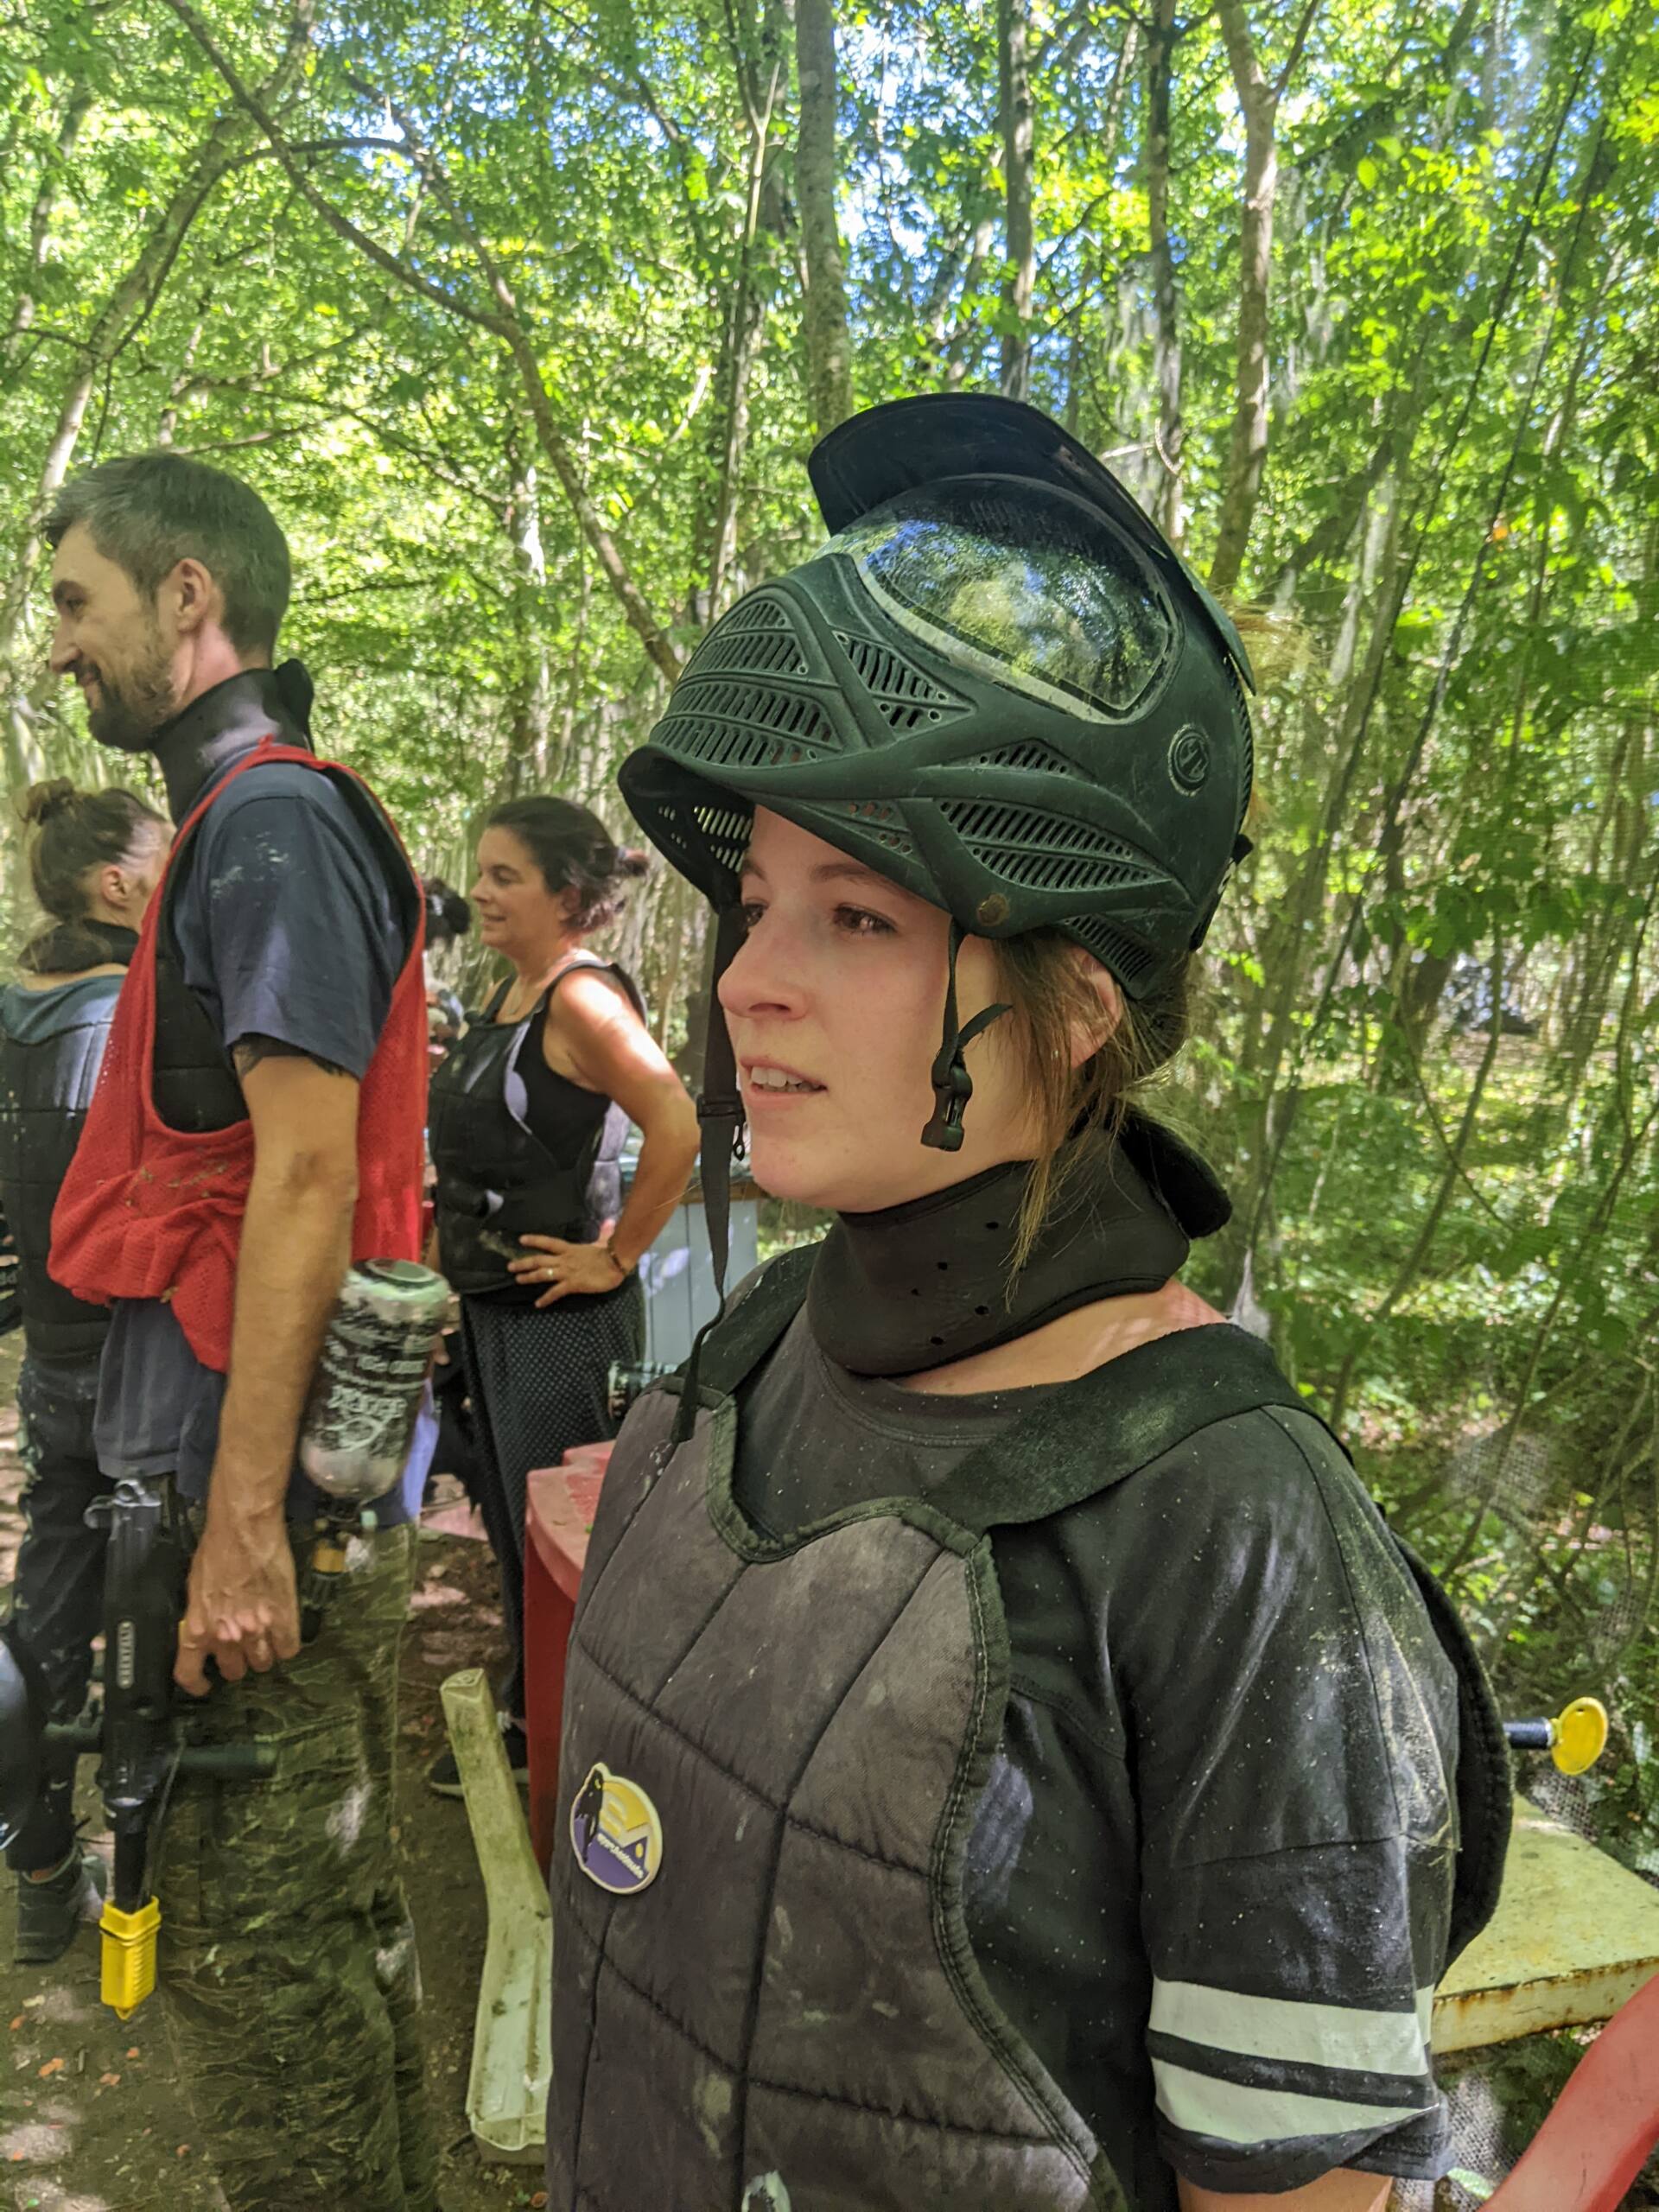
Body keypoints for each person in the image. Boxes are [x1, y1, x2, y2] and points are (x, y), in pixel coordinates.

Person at [544, 395, 1510, 2212]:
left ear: (1075, 1005)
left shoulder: (1238, 1541)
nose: (745, 981)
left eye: (857, 918)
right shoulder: (755, 1348)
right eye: (758, 900)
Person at [41, 451, 438, 2212]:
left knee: (263, 1978)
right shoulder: (239, 822)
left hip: (247, 1498)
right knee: (323, 1942)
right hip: (226, 1472)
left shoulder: (271, 823)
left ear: (187, 595)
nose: (59, 645)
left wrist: (242, 1528)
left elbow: (308, 1173)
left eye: (78, 602)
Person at [425, 796, 699, 1790]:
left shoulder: (583, 999)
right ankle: (529, 1710)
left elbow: (675, 1122)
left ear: (567, 894)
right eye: (482, 872)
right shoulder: (507, 993)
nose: (482, 892)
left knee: (566, 1543)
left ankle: (588, 1742)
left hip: (561, 1321)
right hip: (491, 1309)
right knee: (511, 1521)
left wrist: (615, 1257)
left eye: (506, 876)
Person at [0, 779, 168, 1961]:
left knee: (47, 1613)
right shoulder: (126, 1019)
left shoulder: (13, 1008)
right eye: (161, 855)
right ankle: (144, 1868)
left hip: (53, 1364)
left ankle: (41, 1866)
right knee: (159, 1610)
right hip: (138, 1364)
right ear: (117, 883)